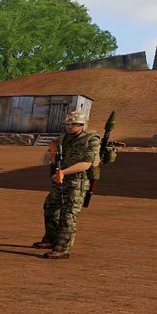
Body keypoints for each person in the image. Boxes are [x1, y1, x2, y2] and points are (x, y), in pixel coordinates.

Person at [33, 111, 100, 259]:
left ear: (81, 125)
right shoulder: (61, 138)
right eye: (68, 124)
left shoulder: (91, 140)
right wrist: (52, 151)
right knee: (50, 207)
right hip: (60, 181)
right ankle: (51, 239)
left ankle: (62, 248)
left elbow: (87, 164)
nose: (69, 126)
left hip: (77, 182)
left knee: (68, 215)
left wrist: (63, 172)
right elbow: (47, 160)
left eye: (73, 124)